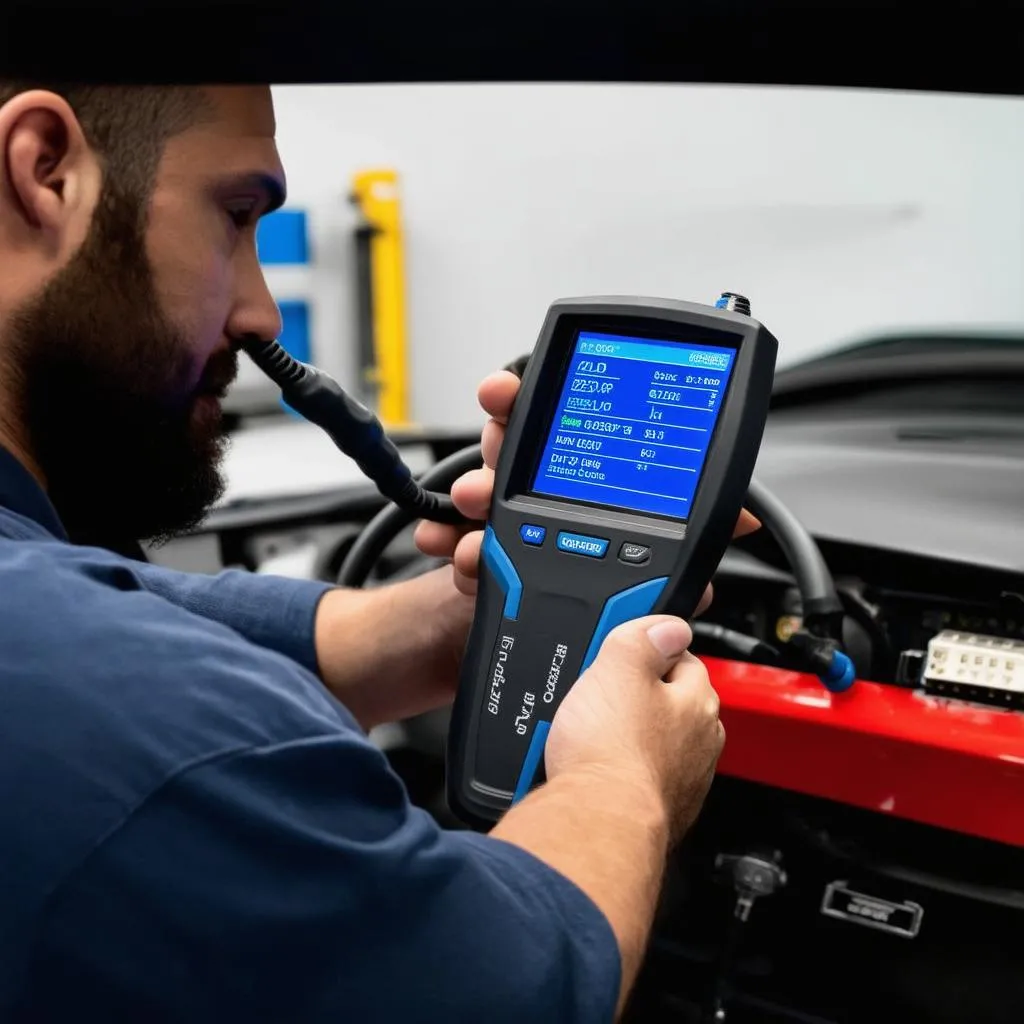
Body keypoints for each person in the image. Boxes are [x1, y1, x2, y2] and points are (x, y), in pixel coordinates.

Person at [0, 83, 757, 1022]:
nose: (262, 312)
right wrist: (627, 785)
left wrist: (456, 621)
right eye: (236, 217)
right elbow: (503, 987)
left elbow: (101, 611)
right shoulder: (125, 716)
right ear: (45, 168)